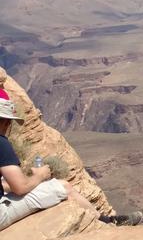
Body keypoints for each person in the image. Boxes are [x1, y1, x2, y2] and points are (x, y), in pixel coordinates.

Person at [0, 92, 133, 230]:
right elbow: (20, 188)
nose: (9, 126)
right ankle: (107, 222)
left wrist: (26, 182)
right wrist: (40, 175)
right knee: (64, 187)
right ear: (5, 121)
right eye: (10, 122)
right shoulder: (1, 143)